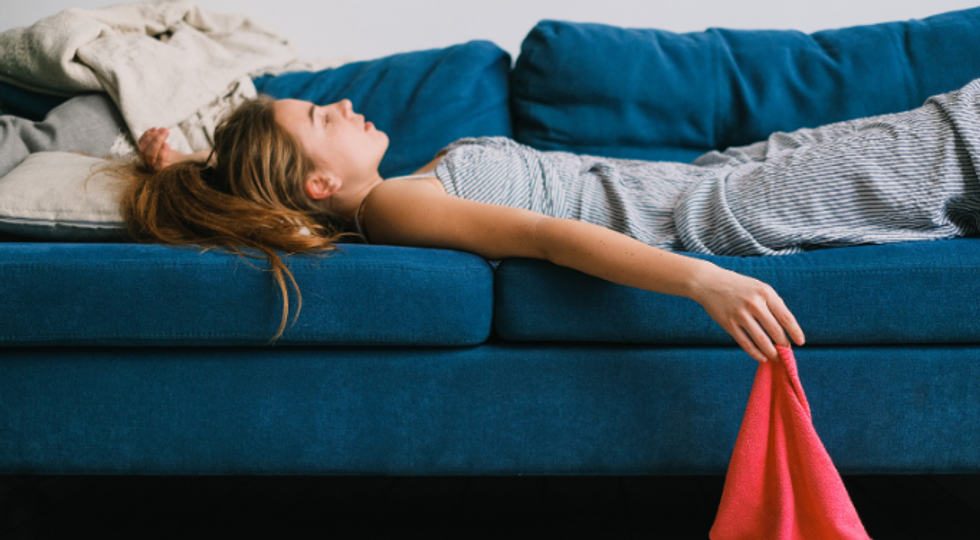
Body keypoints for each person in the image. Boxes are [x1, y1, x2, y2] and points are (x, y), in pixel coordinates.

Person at [129, 79, 980, 363]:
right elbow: (540, 236)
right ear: (316, 183)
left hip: (709, 177)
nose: (345, 102)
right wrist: (702, 278)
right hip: (712, 213)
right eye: (320, 114)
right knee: (946, 142)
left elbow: (239, 183)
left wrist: (175, 166)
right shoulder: (392, 205)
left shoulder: (405, 189)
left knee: (936, 133)